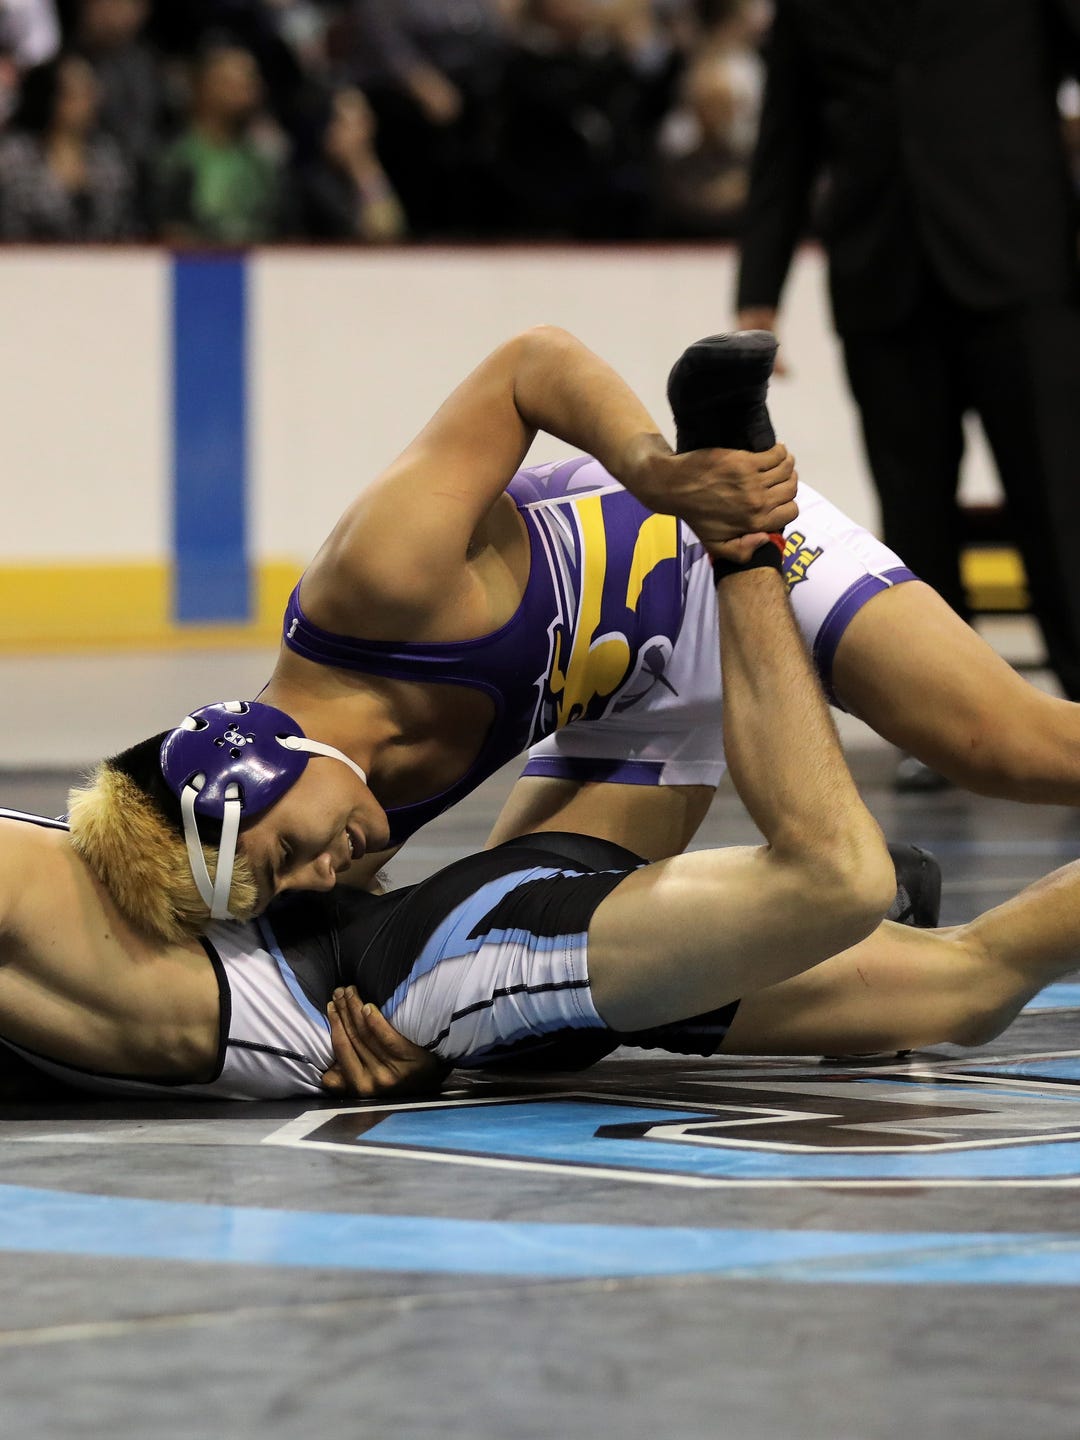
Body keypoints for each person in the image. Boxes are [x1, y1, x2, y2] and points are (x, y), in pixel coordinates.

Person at [5, 538, 1074, 1106]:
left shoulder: (25, 882)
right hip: (458, 967)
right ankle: (868, 898)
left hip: (459, 961)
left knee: (846, 894)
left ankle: (743, 562)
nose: (315, 864)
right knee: (962, 990)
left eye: (287, 855)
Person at [734, 1, 1080, 721]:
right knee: (913, 511)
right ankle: (948, 718)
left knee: (1059, 502)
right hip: (881, 277)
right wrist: (758, 296)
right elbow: (786, 141)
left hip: (1020, 265)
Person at [155, 41, 287, 245]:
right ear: (204, 87)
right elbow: (171, 231)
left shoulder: (263, 160)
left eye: (251, 81)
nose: (250, 90)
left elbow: (283, 229)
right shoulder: (178, 159)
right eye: (237, 83)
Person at [0, 51, 138, 239]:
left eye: (92, 93)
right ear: (51, 98)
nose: (91, 102)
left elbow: (123, 227)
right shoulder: (14, 159)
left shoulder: (109, 160)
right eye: (78, 94)